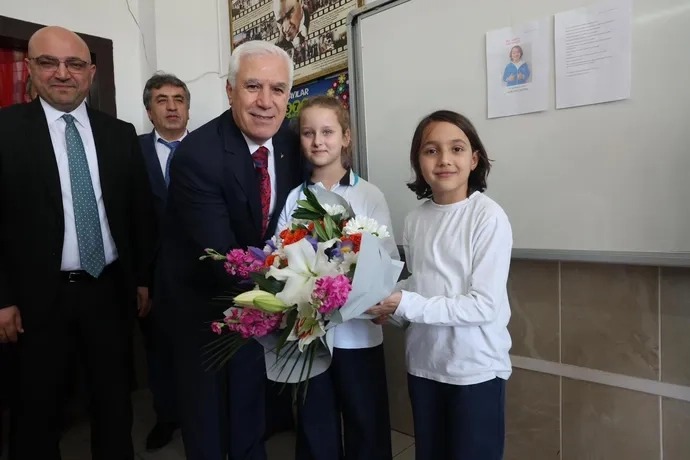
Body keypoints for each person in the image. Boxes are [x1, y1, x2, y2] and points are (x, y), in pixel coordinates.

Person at [0, 26, 156, 460]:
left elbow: (138, 214)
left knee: (113, 403)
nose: (62, 73)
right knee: (36, 409)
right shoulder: (5, 130)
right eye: (49, 62)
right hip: (34, 300)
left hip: (108, 290)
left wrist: (142, 279)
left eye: (74, 64)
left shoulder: (119, 133)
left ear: (91, 72)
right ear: (30, 68)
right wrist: (2, 298)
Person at [157, 40, 304, 460]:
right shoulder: (197, 155)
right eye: (253, 87)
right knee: (207, 419)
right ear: (229, 90)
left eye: (277, 89)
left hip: (261, 301)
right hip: (204, 305)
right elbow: (222, 254)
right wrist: (298, 285)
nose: (265, 102)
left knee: (249, 406)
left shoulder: (292, 143)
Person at [368, 110, 513, 460]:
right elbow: (422, 284)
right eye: (431, 150)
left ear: (474, 159)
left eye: (457, 149)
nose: (444, 159)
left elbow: (483, 305)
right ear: (418, 161)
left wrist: (404, 303)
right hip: (424, 365)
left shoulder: (488, 217)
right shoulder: (415, 220)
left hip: (474, 371)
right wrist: (390, 309)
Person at [274, 95, 397, 460]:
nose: (318, 141)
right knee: (315, 428)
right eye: (308, 133)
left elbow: (387, 259)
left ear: (346, 137)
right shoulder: (294, 198)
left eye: (327, 132)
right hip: (310, 338)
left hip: (360, 337)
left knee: (366, 426)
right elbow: (279, 258)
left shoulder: (369, 195)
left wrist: (376, 296)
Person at [138, 71, 191, 451]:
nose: (172, 107)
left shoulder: (207, 147)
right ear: (149, 111)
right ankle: (167, 416)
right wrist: (139, 278)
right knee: (159, 349)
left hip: (201, 267)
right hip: (154, 271)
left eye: (179, 99)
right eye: (162, 100)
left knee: (204, 346)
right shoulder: (132, 150)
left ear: (188, 108)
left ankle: (202, 412)